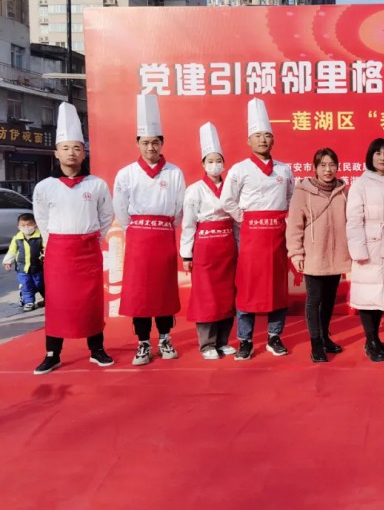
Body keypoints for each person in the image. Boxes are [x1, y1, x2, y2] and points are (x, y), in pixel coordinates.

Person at [31, 102, 114, 374]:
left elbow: (106, 216)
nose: (71, 153)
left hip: (88, 250)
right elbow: (42, 219)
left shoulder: (96, 184)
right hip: (59, 252)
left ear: (83, 152)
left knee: (91, 302)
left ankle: (97, 349)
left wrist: (93, 239)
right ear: (56, 152)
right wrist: (55, 242)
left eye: (77, 148)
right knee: (57, 304)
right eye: (66, 148)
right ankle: (52, 353)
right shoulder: (45, 187)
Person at [114, 95, 185, 366]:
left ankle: (165, 338)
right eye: (145, 142)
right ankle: (143, 342)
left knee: (164, 293)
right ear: (137, 143)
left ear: (162, 143)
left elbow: (179, 208)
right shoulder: (126, 174)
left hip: (164, 238)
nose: (150, 147)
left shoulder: (174, 172)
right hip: (138, 240)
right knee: (140, 294)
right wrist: (135, 230)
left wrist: (164, 228)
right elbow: (120, 208)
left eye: (155, 142)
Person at [221, 98, 294, 361]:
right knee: (247, 289)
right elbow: (227, 200)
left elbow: (290, 198)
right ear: (248, 140)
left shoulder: (284, 169)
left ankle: (274, 336)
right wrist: (246, 219)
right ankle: (246, 340)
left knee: (277, 288)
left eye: (267, 136)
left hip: (277, 237)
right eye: (258, 136)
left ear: (273, 140)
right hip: (250, 238)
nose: (263, 140)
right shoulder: (240, 169)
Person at [286, 148, 351, 363]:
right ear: (315, 168)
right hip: (313, 255)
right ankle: (315, 344)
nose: (328, 169)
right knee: (314, 300)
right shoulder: (302, 192)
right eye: (323, 165)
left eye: (332, 165)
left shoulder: (343, 191)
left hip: (337, 254)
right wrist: (296, 254)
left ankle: (324, 337)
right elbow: (294, 226)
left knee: (330, 299)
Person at [346, 138, 384, 362]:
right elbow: (353, 220)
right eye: (378, 153)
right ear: (370, 156)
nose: (383, 158)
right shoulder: (360, 184)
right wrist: (359, 251)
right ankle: (371, 341)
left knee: (383, 294)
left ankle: (374, 339)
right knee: (368, 294)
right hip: (370, 245)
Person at [180, 122, 237, 360]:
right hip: (204, 248)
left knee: (227, 295)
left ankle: (223, 341)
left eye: (218, 160)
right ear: (203, 164)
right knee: (206, 296)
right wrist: (187, 254)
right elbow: (188, 224)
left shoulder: (231, 187)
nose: (215, 165)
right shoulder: (194, 190)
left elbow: (236, 219)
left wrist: (240, 246)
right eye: (210, 161)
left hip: (227, 247)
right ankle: (207, 344)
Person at [4, 213, 45, 312]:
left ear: (35, 224)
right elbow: (12, 251)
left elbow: (46, 248)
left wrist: (45, 256)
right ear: (19, 227)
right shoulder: (17, 238)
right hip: (22, 268)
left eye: (29, 225)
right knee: (26, 284)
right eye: (23, 225)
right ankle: (29, 302)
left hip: (37, 267)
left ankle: (47, 299)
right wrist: (8, 262)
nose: (26, 227)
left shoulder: (40, 237)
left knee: (40, 284)